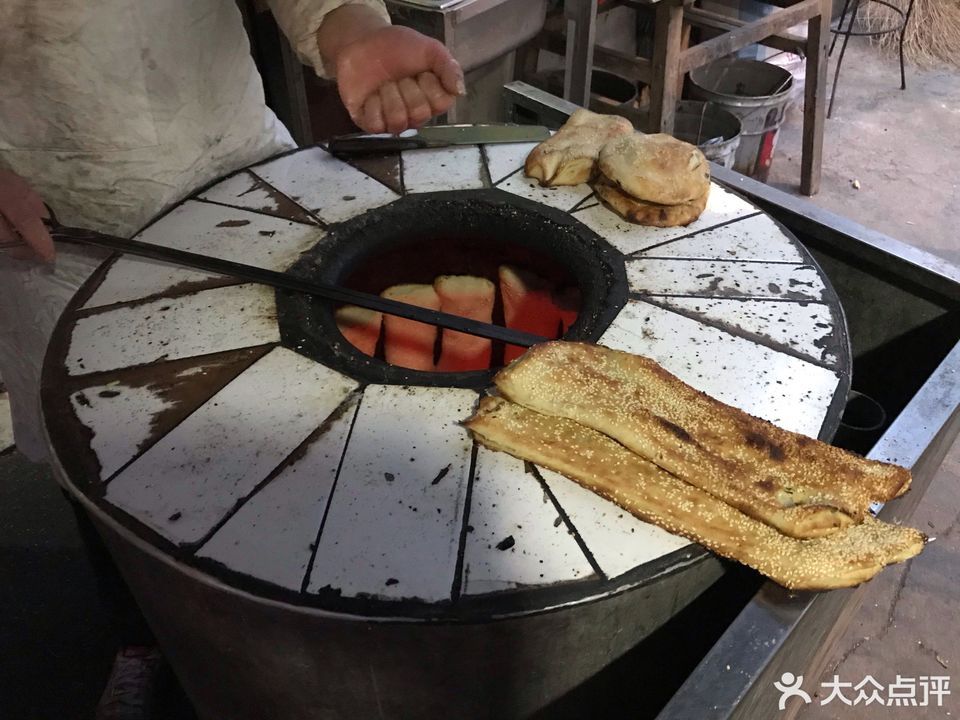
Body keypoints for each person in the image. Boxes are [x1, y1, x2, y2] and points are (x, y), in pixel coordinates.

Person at [0, 1, 463, 717]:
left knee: (291, 417)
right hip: (55, 218)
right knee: (96, 452)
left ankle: (306, 631)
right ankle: (140, 637)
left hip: (229, 168)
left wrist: (352, 28)